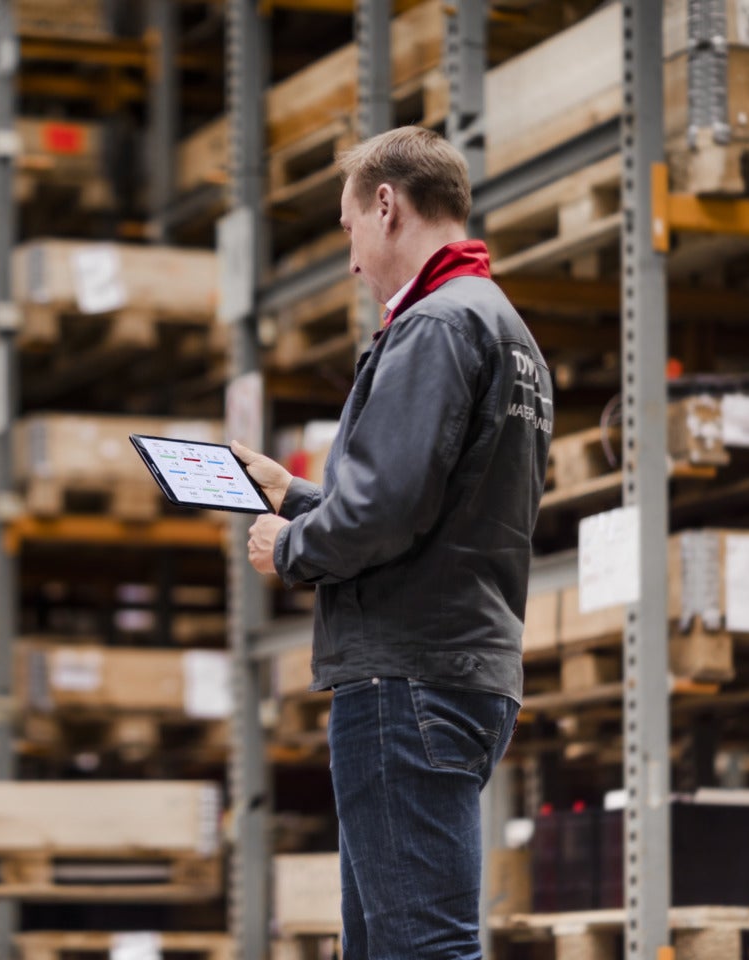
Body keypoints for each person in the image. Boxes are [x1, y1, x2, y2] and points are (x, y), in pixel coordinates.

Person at [233, 127, 552, 959]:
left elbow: (385, 512)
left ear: (386, 205)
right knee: (379, 945)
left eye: (346, 230)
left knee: (422, 947)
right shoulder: (506, 331)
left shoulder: (436, 326)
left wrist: (292, 546)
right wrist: (294, 494)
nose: (349, 260)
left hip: (406, 676)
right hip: (460, 668)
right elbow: (444, 503)